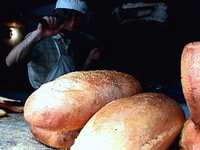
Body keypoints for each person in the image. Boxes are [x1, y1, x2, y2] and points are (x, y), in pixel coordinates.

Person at [5, 0, 101, 90]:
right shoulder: (41, 40)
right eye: (67, 19)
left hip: (68, 98)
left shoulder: (72, 43)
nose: (72, 25)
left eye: (77, 20)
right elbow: (10, 61)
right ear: (60, 16)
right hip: (42, 99)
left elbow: (72, 78)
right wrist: (38, 35)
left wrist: (88, 60)